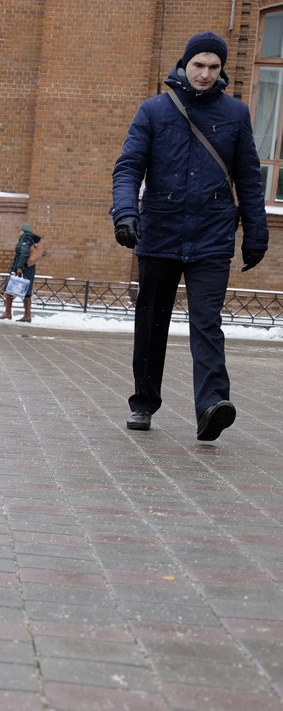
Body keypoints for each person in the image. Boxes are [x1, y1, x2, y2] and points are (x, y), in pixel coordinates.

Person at [112, 31, 267, 441]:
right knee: (151, 322)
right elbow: (128, 167)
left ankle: (212, 406)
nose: (205, 74)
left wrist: (256, 233)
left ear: (221, 71)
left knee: (207, 322)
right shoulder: (154, 111)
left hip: (212, 235)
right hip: (160, 232)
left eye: (213, 67)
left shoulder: (235, 114)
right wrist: (126, 213)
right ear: (185, 65)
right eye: (198, 65)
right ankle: (143, 403)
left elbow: (250, 179)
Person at [2, 223, 41, 321]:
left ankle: (8, 313)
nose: (19, 231)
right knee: (26, 291)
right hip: (29, 268)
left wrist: (19, 267)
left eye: (20, 229)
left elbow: (24, 253)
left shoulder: (26, 238)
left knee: (10, 288)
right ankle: (26, 315)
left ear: (24, 230)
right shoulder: (31, 239)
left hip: (23, 269)